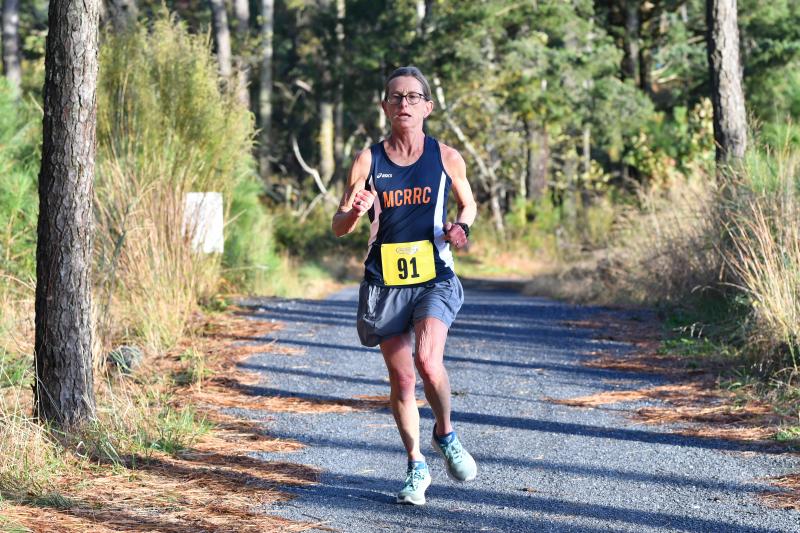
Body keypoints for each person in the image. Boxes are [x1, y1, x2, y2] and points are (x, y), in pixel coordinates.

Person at [331, 66, 478, 506]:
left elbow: (467, 204)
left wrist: (460, 228)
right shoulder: (368, 160)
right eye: (396, 97)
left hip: (435, 277)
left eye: (413, 97)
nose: (404, 103)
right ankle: (416, 464)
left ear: (428, 107)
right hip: (385, 283)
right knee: (402, 377)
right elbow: (339, 226)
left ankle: (446, 434)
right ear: (384, 107)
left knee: (429, 362)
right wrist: (354, 213)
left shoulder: (447, 157)